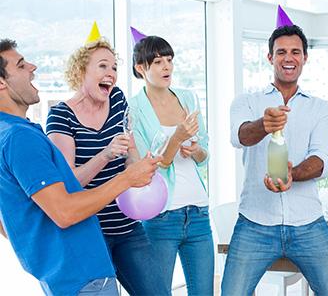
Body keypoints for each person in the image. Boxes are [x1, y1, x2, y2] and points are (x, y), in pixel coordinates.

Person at [0, 39, 160, 295]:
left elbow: (9, 220)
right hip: (80, 273)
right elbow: (64, 213)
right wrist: (127, 178)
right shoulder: (19, 137)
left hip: (65, 272)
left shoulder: (10, 131)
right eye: (21, 65)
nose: (32, 66)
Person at [221, 24, 328, 295]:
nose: (288, 58)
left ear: (304, 58)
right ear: (270, 58)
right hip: (254, 223)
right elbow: (239, 136)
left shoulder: (321, 108)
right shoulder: (247, 102)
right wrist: (264, 124)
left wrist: (294, 174)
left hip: (308, 224)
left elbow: (322, 159)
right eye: (281, 52)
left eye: (295, 52)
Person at [46, 38, 168, 295]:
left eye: (114, 68)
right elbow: (68, 183)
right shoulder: (61, 115)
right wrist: (105, 154)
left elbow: (130, 150)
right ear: (81, 72)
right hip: (89, 236)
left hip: (127, 228)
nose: (111, 74)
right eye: (103, 66)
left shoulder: (118, 100)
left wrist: (141, 169)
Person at [129, 35, 213, 295]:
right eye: (157, 62)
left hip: (199, 214)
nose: (167, 67)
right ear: (141, 68)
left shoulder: (188, 98)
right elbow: (150, 164)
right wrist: (176, 138)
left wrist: (197, 149)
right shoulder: (134, 109)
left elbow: (205, 155)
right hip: (161, 218)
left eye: (169, 60)